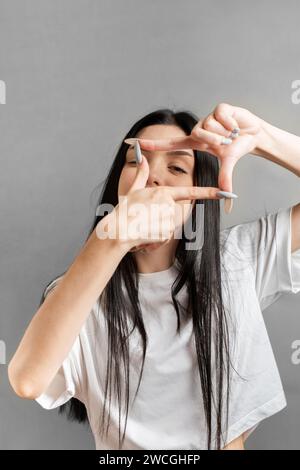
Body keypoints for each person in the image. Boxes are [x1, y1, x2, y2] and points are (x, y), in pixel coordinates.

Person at [8, 103, 300, 450]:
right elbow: (27, 380)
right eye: (136, 160)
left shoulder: (235, 260)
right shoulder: (81, 292)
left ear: (198, 194)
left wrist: (263, 137)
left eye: (176, 166)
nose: (153, 177)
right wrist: (113, 238)